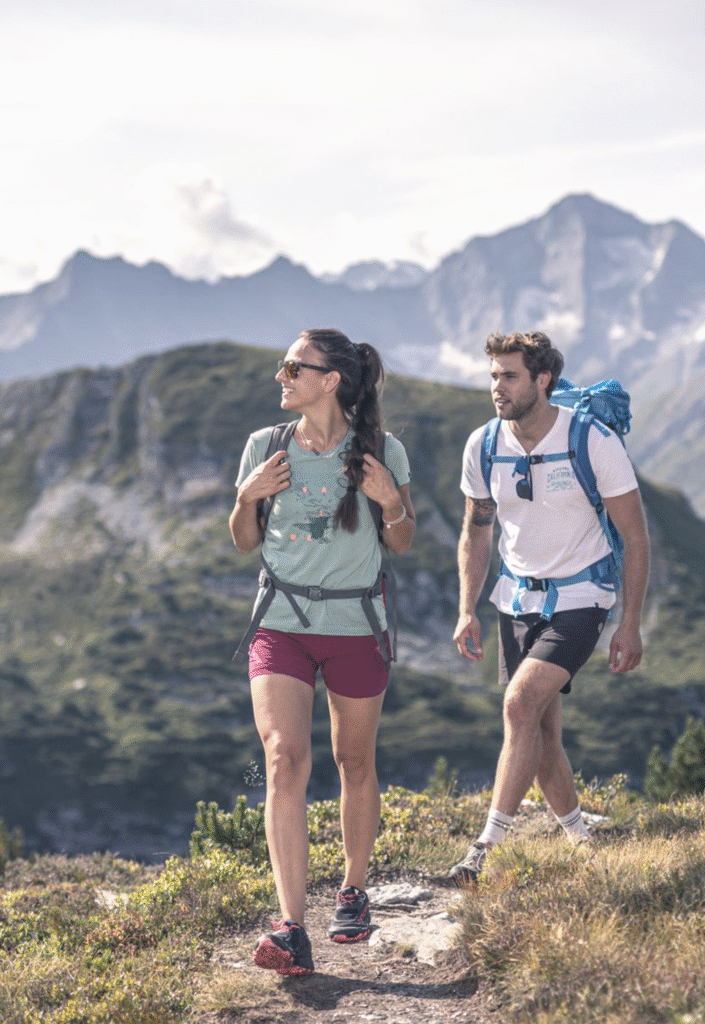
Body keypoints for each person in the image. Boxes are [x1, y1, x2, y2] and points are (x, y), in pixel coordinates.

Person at [229, 328, 415, 975]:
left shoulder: (383, 451)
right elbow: (243, 541)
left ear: (330, 380)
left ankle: (353, 891)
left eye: (293, 367)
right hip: (280, 623)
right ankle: (290, 928)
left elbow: (403, 539)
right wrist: (247, 497)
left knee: (353, 761)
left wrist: (390, 502)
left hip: (356, 626)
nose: (280, 377)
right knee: (283, 759)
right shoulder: (265, 446)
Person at [449, 330, 649, 883]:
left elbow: (636, 536)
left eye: (510, 376)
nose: (497, 387)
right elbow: (477, 529)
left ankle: (485, 849)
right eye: (493, 375)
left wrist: (630, 622)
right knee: (541, 732)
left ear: (542, 380)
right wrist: (467, 608)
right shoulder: (483, 444)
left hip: (583, 595)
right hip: (516, 598)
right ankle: (581, 841)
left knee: (519, 705)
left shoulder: (592, 440)